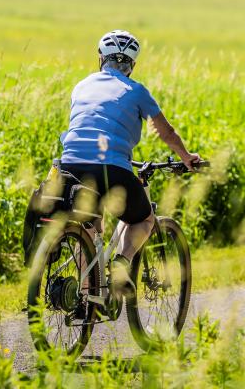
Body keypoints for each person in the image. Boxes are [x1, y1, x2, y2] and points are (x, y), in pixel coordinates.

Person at [59, 29, 200, 298]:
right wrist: (186, 157)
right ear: (131, 66)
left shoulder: (81, 85)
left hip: (69, 166)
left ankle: (87, 294)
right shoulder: (136, 91)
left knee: (89, 225)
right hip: (110, 167)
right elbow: (165, 131)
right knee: (144, 218)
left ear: (100, 58)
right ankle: (121, 267)